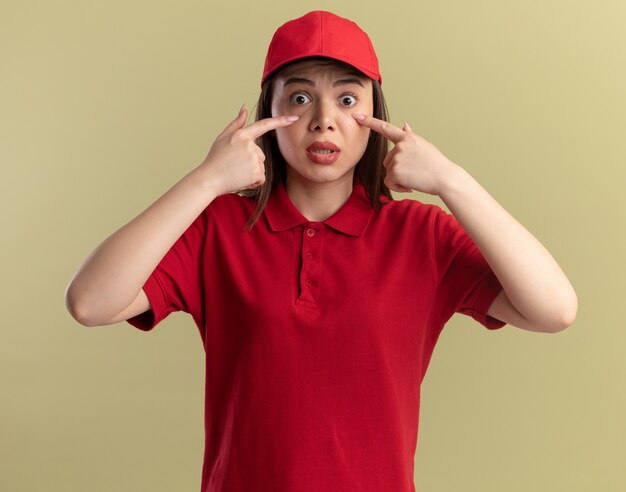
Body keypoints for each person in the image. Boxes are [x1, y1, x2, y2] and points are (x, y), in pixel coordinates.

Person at [64, 10, 578, 492]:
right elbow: (90, 302)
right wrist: (204, 183)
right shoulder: (219, 229)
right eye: (301, 98)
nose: (324, 120)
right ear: (270, 111)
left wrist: (452, 182)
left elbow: (555, 310)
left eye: (348, 100)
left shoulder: (421, 234)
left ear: (376, 114)